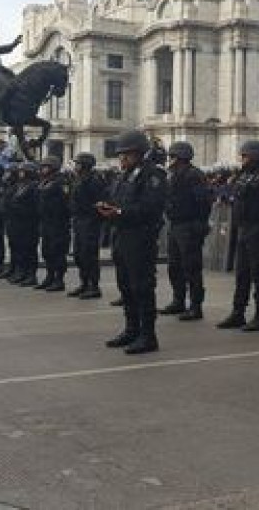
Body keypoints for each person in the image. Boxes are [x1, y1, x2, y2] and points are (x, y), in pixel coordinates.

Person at [98, 129, 167, 354]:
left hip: (140, 238)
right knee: (125, 286)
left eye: (127, 154)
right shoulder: (124, 176)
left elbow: (149, 209)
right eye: (121, 155)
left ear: (139, 153)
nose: (122, 158)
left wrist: (118, 213)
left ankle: (148, 336)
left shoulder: (152, 175)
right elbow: (117, 201)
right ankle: (131, 329)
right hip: (122, 236)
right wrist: (108, 208)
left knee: (142, 287)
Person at [216, 140, 259, 332]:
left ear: (255, 156)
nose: (242, 159)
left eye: (246, 156)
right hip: (244, 229)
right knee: (242, 274)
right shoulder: (245, 176)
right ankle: (238, 312)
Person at [160, 141, 213, 320]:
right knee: (174, 266)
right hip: (175, 225)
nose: (170, 160)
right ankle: (178, 300)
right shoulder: (173, 175)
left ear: (182, 157)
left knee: (191, 267)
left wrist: (199, 224)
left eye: (173, 157)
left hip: (189, 226)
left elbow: (204, 202)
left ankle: (196, 306)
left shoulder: (194, 175)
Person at [67, 152, 106, 300]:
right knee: (79, 254)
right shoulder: (78, 179)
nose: (75, 166)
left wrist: (92, 216)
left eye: (78, 163)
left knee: (89, 255)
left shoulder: (94, 180)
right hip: (79, 220)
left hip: (90, 221)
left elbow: (99, 202)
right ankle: (84, 283)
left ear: (85, 165)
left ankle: (94, 286)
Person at [37, 156, 70, 292]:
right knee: (47, 251)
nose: (43, 169)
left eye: (46, 166)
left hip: (58, 223)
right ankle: (49, 276)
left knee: (58, 252)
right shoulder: (44, 182)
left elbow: (65, 202)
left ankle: (59, 279)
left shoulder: (61, 182)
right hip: (46, 222)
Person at [7, 162, 40, 287]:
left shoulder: (33, 187)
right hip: (18, 223)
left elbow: (34, 207)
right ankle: (22, 272)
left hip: (29, 224)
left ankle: (31, 275)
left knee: (29, 250)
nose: (20, 173)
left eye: (23, 171)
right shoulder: (21, 186)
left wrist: (19, 208)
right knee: (20, 249)